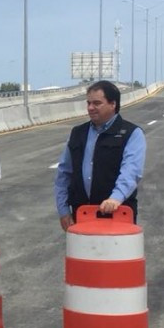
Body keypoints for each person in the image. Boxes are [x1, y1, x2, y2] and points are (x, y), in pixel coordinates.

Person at [54, 80, 146, 230]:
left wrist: (115, 198)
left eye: (97, 103)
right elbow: (63, 174)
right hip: (81, 216)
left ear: (113, 104)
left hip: (117, 215)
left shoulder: (132, 134)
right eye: (88, 103)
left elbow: (131, 172)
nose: (91, 108)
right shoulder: (78, 133)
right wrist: (63, 210)